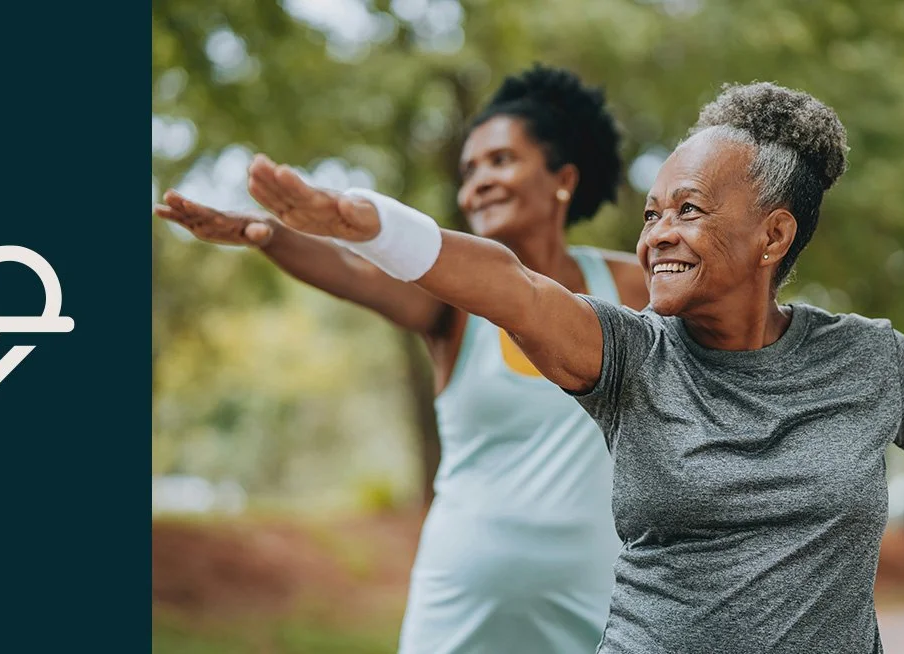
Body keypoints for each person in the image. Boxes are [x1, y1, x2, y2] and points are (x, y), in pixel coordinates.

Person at [241, 81, 904, 653]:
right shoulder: (630, 355)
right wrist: (371, 225)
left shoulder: (869, 360)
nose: (657, 233)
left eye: (687, 211)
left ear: (773, 235)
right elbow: (513, 287)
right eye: (652, 213)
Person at [157, 65, 648, 653]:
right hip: (462, 604)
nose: (478, 184)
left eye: (500, 161)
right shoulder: (455, 307)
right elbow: (353, 271)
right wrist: (272, 233)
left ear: (562, 178)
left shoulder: (630, 287)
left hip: (599, 602)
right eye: (469, 171)